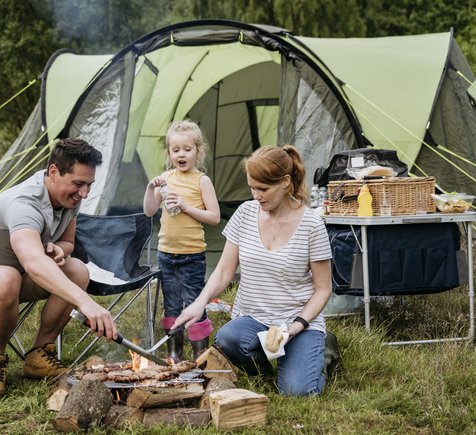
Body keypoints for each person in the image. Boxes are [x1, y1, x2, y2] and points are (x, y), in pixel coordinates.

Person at [0, 138, 118, 398]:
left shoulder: (68, 198)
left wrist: (61, 249)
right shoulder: (24, 203)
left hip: (14, 274)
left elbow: (67, 241)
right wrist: (86, 303)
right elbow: (33, 263)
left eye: (89, 184)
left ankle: (38, 355)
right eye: (78, 184)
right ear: (54, 172)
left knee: (77, 270)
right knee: (7, 277)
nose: (85, 193)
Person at [172, 145, 339, 397]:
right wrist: (199, 303)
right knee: (227, 339)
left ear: (285, 182)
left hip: (298, 323)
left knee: (298, 393)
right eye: (252, 187)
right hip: (254, 322)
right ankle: (269, 370)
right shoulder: (245, 214)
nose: (256, 195)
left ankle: (324, 355)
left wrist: (296, 327)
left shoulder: (312, 224)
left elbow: (324, 289)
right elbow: (224, 272)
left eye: (263, 189)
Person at [143, 120, 220, 361]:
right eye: (176, 150)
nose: (181, 154)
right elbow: (149, 211)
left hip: (192, 256)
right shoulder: (165, 179)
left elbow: (214, 217)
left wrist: (186, 207)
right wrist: (149, 189)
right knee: (172, 306)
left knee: (195, 304)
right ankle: (174, 356)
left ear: (198, 151)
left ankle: (200, 356)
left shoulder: (202, 181)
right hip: (166, 255)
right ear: (169, 153)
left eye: (187, 149)